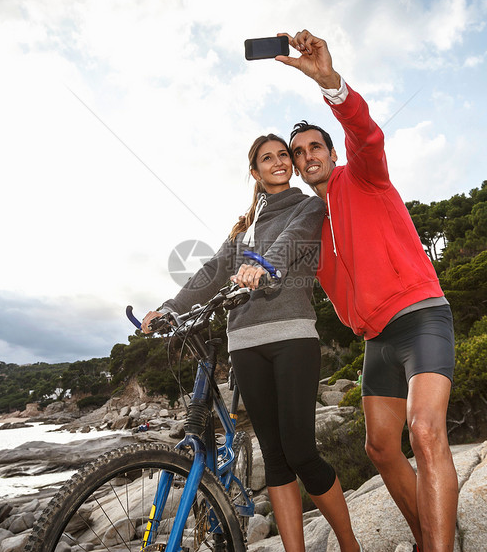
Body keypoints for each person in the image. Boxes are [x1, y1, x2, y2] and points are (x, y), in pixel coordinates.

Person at [276, 30, 458, 552]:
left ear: (332, 153)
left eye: (316, 147)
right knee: (380, 448)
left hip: (420, 316)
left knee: (424, 432)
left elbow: (367, 134)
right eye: (298, 152)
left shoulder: (365, 176)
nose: (308, 155)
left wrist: (330, 83)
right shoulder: (310, 220)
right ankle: (430, 538)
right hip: (376, 339)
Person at [141, 134, 361, 552]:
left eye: (284, 156)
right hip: (243, 343)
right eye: (268, 158)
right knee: (275, 458)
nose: (279, 162)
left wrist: (262, 266)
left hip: (292, 337)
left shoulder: (308, 206)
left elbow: (291, 241)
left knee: (301, 452)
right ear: (255, 171)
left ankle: (350, 545)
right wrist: (170, 307)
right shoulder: (244, 228)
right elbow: (212, 271)